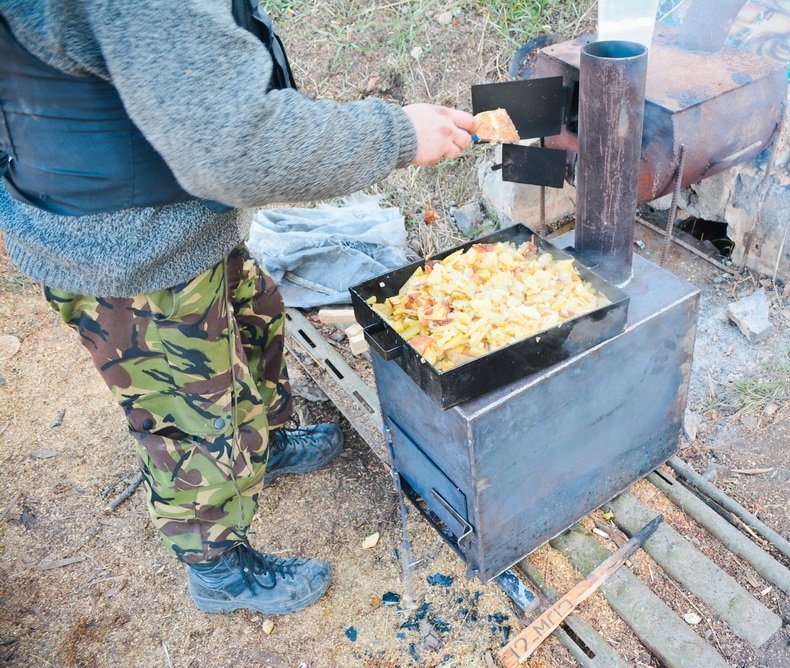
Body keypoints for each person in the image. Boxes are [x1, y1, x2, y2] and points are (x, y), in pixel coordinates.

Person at [0, 0, 475, 615]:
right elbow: (234, 145)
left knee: (256, 324)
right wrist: (396, 134)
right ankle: (217, 566)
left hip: (185, 226)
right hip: (124, 253)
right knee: (191, 413)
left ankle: (259, 446)